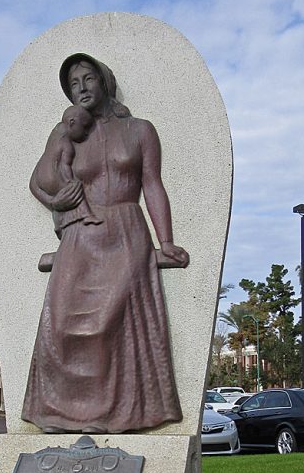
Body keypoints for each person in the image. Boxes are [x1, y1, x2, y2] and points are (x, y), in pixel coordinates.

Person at [22, 53, 189, 434]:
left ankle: (126, 413)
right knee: (64, 326)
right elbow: (38, 181)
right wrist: (54, 202)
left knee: (115, 323)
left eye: (88, 79)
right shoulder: (66, 132)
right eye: (73, 83)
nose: (81, 88)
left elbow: (152, 186)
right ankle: (62, 415)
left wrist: (166, 241)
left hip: (126, 230)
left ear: (104, 81)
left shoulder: (141, 130)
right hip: (80, 235)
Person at [30, 105, 102, 233]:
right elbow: (64, 165)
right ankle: (88, 215)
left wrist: (52, 202)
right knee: (74, 190)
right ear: (72, 123)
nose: (86, 133)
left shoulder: (55, 133)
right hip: (52, 178)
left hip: (41, 177)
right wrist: (70, 181)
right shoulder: (67, 145)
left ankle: (58, 224)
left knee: (62, 193)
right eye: (85, 127)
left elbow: (33, 181)